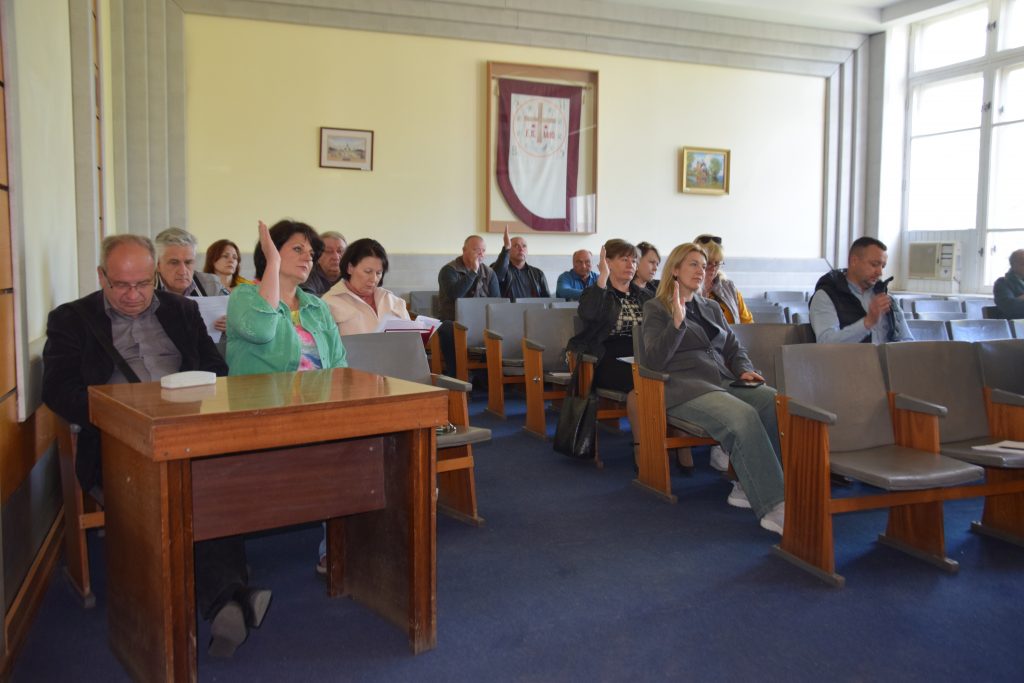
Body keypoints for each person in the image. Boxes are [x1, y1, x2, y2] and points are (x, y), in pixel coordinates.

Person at [41, 234, 269, 658]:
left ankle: (227, 599)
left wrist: (194, 395)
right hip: (117, 445)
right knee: (186, 491)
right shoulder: (72, 319)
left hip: (186, 435)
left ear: (154, 277)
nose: (133, 295)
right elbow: (57, 390)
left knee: (211, 482)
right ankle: (230, 596)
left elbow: (216, 370)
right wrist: (121, 412)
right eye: (121, 285)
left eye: (143, 284)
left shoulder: (182, 311)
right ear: (101, 277)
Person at [227, 220, 349, 575]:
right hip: (262, 414)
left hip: (317, 413)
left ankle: (340, 547)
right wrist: (273, 266)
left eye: (311, 253)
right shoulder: (244, 298)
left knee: (369, 453)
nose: (308, 257)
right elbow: (262, 329)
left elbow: (339, 364)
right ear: (271, 254)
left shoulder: (316, 306)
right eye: (297, 249)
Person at [641, 242, 785, 534]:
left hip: (722, 380)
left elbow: (733, 347)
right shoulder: (656, 308)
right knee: (742, 416)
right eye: (693, 264)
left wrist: (743, 369)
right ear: (675, 270)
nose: (701, 270)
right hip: (686, 388)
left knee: (773, 401)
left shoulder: (710, 307)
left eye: (704, 266)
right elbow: (653, 360)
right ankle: (775, 505)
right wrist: (676, 325)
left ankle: (747, 485)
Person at [567, 239, 651, 451]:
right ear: (608, 263)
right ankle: (643, 448)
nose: (631, 265)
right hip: (606, 357)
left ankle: (662, 441)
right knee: (641, 384)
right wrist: (602, 279)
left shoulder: (644, 295)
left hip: (640, 354)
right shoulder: (596, 292)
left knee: (666, 377)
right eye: (624, 259)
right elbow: (588, 314)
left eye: (634, 261)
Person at [808, 236, 913, 343]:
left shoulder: (886, 298)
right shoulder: (826, 296)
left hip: (886, 354)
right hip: (851, 355)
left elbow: (907, 340)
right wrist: (867, 323)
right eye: (874, 264)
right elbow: (826, 342)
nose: (880, 272)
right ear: (854, 261)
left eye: (883, 266)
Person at [435, 234, 501, 374]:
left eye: (483, 250)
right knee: (447, 327)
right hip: (453, 321)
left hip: (480, 324)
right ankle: (456, 375)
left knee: (500, 327)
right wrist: (473, 272)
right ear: (464, 250)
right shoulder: (449, 270)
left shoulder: (489, 273)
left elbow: (497, 303)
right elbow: (455, 294)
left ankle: (484, 377)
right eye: (476, 250)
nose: (481, 254)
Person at [323, 238, 411, 335]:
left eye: (378, 273)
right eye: (368, 271)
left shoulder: (393, 301)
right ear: (350, 268)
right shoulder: (328, 303)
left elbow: (411, 338)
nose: (374, 279)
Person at [155, 227, 229, 297]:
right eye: (174, 263)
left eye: (188, 262)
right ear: (158, 265)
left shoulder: (212, 285)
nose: (182, 271)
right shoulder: (148, 289)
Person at [695, 235, 752, 324]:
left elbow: (747, 323)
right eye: (709, 262)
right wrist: (702, 290)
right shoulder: (686, 289)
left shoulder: (729, 287)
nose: (714, 267)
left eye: (717, 262)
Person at [491, 226, 550, 299]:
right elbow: (496, 277)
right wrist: (506, 248)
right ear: (509, 250)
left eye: (524, 246)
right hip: (508, 306)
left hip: (534, 306)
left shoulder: (538, 273)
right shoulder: (499, 268)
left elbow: (547, 300)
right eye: (516, 246)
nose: (521, 249)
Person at [302, 231, 347, 296]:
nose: (336, 257)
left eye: (340, 251)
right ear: (317, 255)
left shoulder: (353, 275)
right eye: (329, 251)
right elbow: (308, 299)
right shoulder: (307, 273)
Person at [993, 249, 1024, 319]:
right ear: (1013, 265)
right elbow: (1009, 307)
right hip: (1014, 323)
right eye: (1023, 264)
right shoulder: (1002, 283)